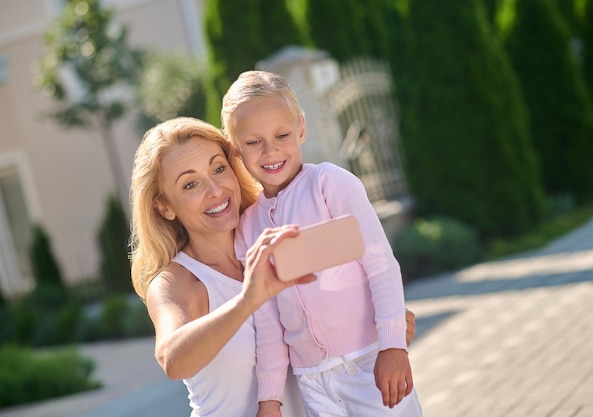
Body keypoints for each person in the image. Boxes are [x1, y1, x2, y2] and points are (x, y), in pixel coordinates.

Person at [129, 117, 417, 417]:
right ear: (165, 207)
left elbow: (343, 304)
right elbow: (173, 360)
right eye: (190, 184)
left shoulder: (279, 237)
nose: (215, 189)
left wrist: (381, 336)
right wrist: (248, 300)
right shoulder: (176, 282)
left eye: (218, 168)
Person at [222, 71, 423, 417]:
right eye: (253, 142)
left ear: (301, 128)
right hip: (312, 382)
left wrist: (392, 346)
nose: (270, 151)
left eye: (282, 135)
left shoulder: (330, 184)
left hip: (370, 363)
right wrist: (269, 399)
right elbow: (268, 320)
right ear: (234, 147)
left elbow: (380, 265)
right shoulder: (247, 228)